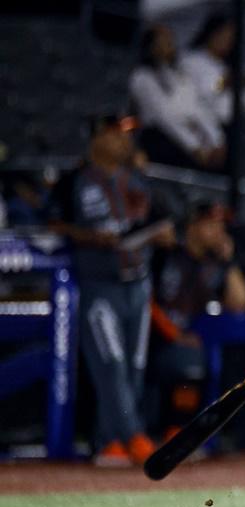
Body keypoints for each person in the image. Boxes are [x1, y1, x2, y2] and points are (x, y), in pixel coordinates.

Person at [48, 114, 176, 466]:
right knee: (111, 363)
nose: (125, 143)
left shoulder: (136, 179)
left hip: (137, 281)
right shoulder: (75, 180)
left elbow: (161, 218)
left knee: (134, 365)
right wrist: (90, 237)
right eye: (118, 135)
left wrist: (162, 234)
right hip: (98, 283)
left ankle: (110, 442)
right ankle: (134, 436)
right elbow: (52, 222)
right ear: (98, 137)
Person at [150, 202, 245, 435]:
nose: (218, 232)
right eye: (212, 225)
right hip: (150, 336)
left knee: (197, 358)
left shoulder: (212, 264)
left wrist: (229, 261)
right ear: (193, 225)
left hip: (184, 341)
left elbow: (238, 302)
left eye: (221, 226)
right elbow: (144, 301)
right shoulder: (167, 252)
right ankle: (175, 430)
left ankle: (179, 432)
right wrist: (174, 334)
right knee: (189, 356)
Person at [130, 25, 226, 172]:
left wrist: (216, 141)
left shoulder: (179, 75)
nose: (168, 45)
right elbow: (164, 116)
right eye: (162, 41)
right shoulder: (142, 77)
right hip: (161, 139)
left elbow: (196, 108)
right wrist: (193, 147)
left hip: (190, 136)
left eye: (170, 40)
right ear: (151, 47)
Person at [181, 13, 245, 128]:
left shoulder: (229, 64)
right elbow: (204, 90)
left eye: (231, 37)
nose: (227, 41)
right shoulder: (191, 60)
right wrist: (226, 82)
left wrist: (238, 83)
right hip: (202, 125)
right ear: (211, 34)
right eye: (223, 36)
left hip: (233, 124)